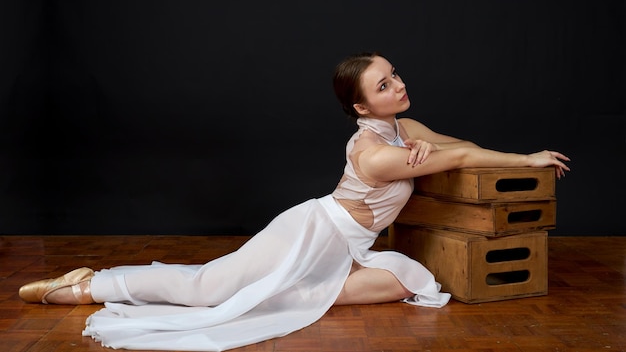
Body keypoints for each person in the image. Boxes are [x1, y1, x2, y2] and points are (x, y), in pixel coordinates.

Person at [18, 52, 570, 351]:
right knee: (211, 288)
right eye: (383, 86)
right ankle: (89, 285)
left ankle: (285, 293)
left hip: (348, 248)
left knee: (410, 279)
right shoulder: (377, 152)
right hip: (312, 231)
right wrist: (526, 160)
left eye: (394, 75)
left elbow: (462, 146)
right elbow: (462, 160)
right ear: (360, 108)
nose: (397, 86)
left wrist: (432, 143)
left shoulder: (404, 128)